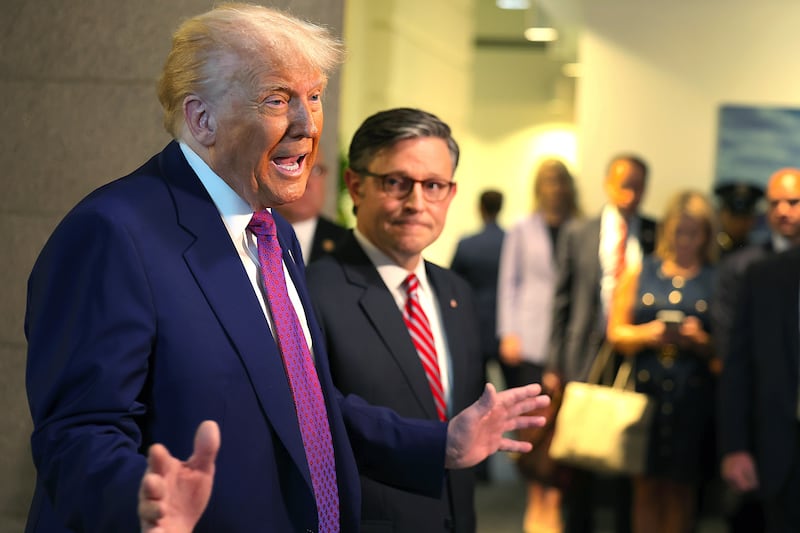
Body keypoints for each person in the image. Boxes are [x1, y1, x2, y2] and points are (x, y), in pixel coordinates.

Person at [24, 5, 550, 533]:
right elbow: (77, 432)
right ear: (201, 118)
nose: (307, 124)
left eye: (314, 96)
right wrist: (138, 499)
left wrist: (441, 443)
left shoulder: (273, 235)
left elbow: (307, 402)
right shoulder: (112, 232)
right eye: (277, 99)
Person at [305, 107, 484, 532]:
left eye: (434, 185)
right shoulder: (312, 292)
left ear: (451, 194)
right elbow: (318, 423)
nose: (416, 203)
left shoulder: (457, 293)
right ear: (355, 185)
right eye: (396, 183)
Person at [546, 154, 656, 533]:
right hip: (584, 354)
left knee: (628, 449)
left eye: (639, 185)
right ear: (608, 184)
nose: (631, 194)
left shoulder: (655, 234)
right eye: (624, 184)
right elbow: (561, 302)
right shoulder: (579, 232)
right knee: (580, 452)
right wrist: (553, 363)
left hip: (633, 356)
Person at [607, 191, 718, 533]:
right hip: (646, 390)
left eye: (693, 232)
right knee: (646, 484)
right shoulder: (642, 272)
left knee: (681, 488)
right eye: (679, 231)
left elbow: (725, 346)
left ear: (706, 234)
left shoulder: (715, 278)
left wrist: (698, 340)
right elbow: (616, 332)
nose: (684, 240)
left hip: (692, 393)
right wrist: (649, 334)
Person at [711, 168, 800, 533]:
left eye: (793, 202)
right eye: (776, 203)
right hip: (778, 444)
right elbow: (737, 365)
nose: (784, 211)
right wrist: (735, 445)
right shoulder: (758, 272)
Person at [496, 158, 578, 533]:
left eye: (560, 180)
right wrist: (507, 331)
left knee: (562, 431)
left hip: (568, 342)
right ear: (538, 186)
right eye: (548, 180)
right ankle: (535, 501)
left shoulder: (581, 228)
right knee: (531, 426)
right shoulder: (521, 229)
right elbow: (507, 283)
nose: (555, 187)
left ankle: (556, 502)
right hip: (527, 339)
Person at [450, 189, 505, 484]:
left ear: (480, 208)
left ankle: (480, 466)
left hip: (475, 325)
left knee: (477, 398)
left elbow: (452, 283)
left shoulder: (468, 244)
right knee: (515, 395)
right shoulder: (509, 242)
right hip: (507, 329)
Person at [274, 146, 348, 264]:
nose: (307, 182)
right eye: (294, 166)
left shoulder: (348, 246)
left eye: (316, 170)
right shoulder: (246, 238)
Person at [713, 182, 765, 258]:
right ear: (722, 215)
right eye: (734, 217)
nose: (739, 224)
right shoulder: (710, 250)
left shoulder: (760, 254)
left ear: (753, 219)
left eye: (744, 218)